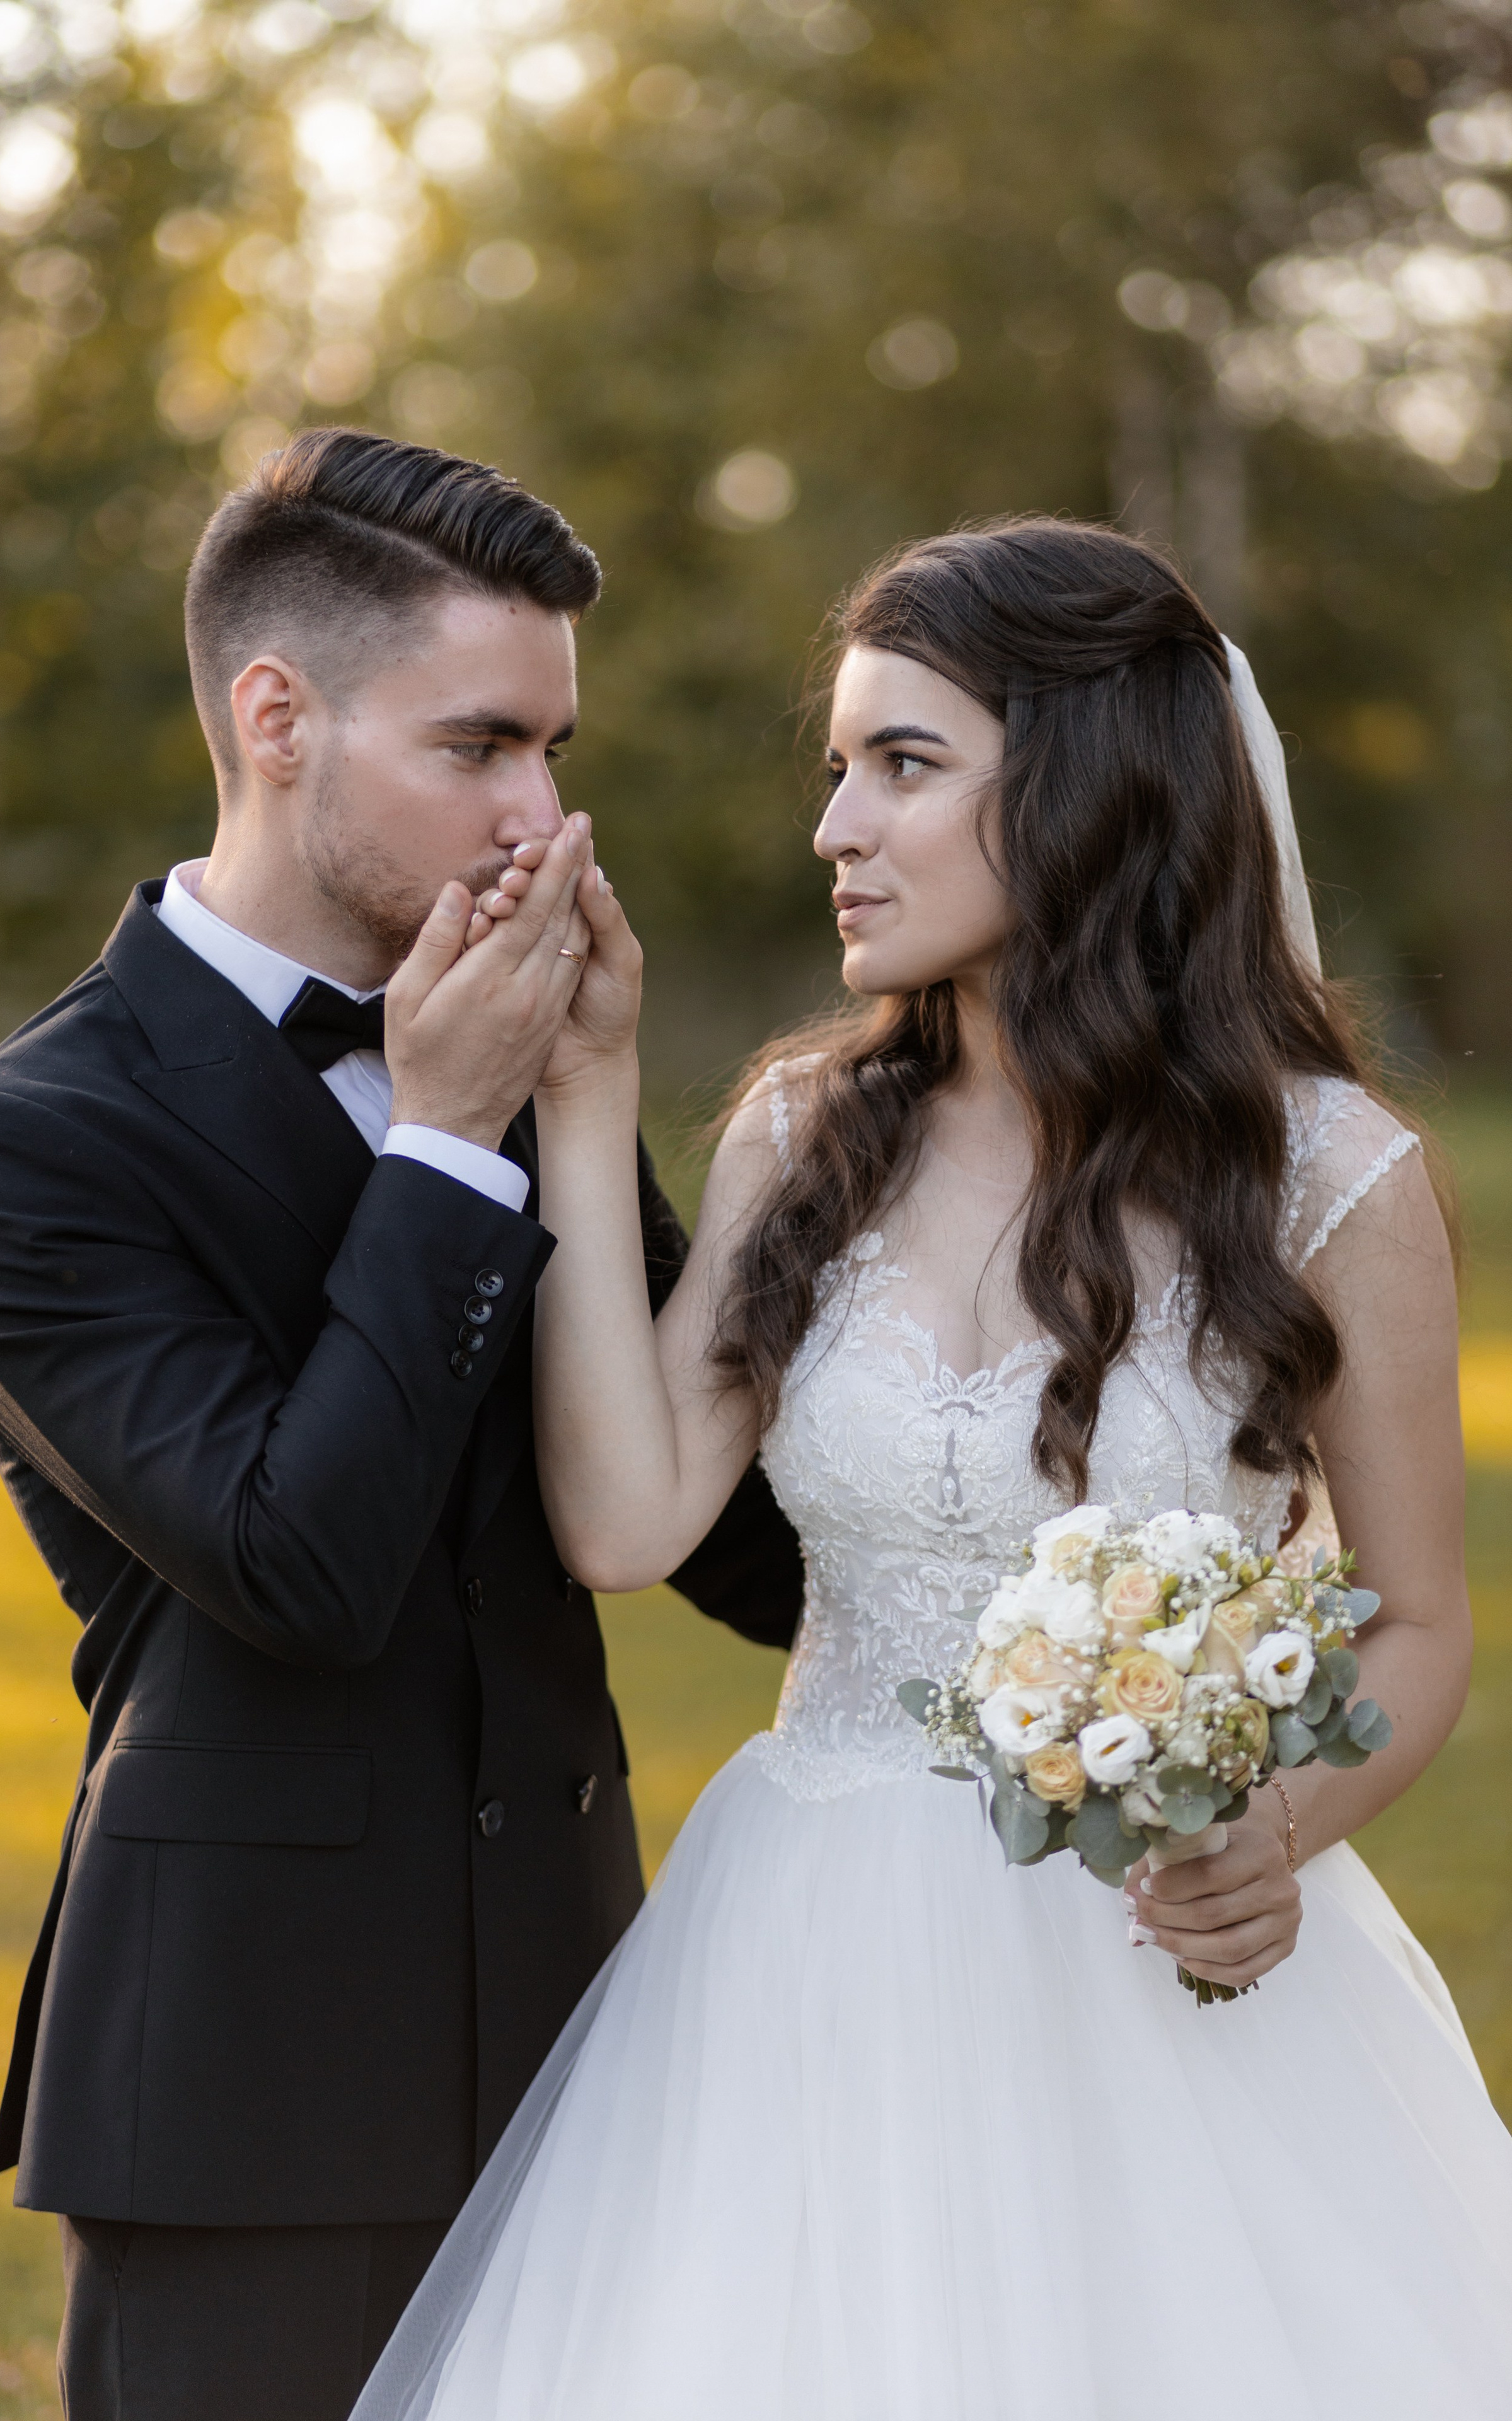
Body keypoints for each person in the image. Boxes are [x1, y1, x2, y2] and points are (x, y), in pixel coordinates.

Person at [354, 519, 1512, 2420]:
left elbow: (1421, 1625)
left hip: (1162, 1970)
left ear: (1086, 793)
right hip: (808, 1953)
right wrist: (583, 1101)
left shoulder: (1331, 1178)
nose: (836, 828)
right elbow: (626, 1521)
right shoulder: (809, 1130)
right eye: (840, 768)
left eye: (904, 765)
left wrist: (1269, 1833)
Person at [0, 427, 804, 2421]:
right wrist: (454, 1137)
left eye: (556, 754)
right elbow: (296, 1562)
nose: (538, 817)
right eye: (480, 746)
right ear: (279, 716)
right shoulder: (16, 1154)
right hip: (246, 2096)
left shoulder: (534, 1054)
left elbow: (753, 1557)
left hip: (590, 2048)